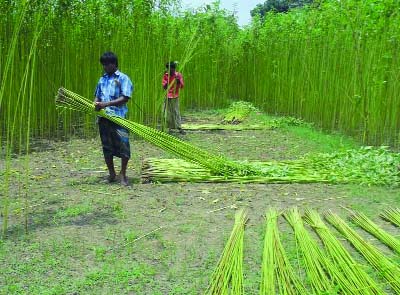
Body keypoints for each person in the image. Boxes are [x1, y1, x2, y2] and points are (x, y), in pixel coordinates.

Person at [94, 51, 133, 186]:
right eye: (103, 64)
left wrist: (107, 104)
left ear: (114, 64)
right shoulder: (102, 79)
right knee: (107, 146)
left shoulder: (123, 78)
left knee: (124, 145)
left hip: (119, 118)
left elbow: (125, 98)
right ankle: (112, 174)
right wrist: (96, 103)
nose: (105, 67)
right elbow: (97, 96)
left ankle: (123, 174)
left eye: (107, 64)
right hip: (103, 118)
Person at [162, 61, 185, 134]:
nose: (169, 70)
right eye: (168, 69)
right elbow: (164, 86)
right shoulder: (166, 75)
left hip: (175, 96)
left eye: (171, 69)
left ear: (174, 68)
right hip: (167, 96)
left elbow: (182, 86)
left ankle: (179, 127)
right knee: (166, 112)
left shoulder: (178, 75)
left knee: (175, 111)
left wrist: (178, 81)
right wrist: (168, 82)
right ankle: (170, 128)